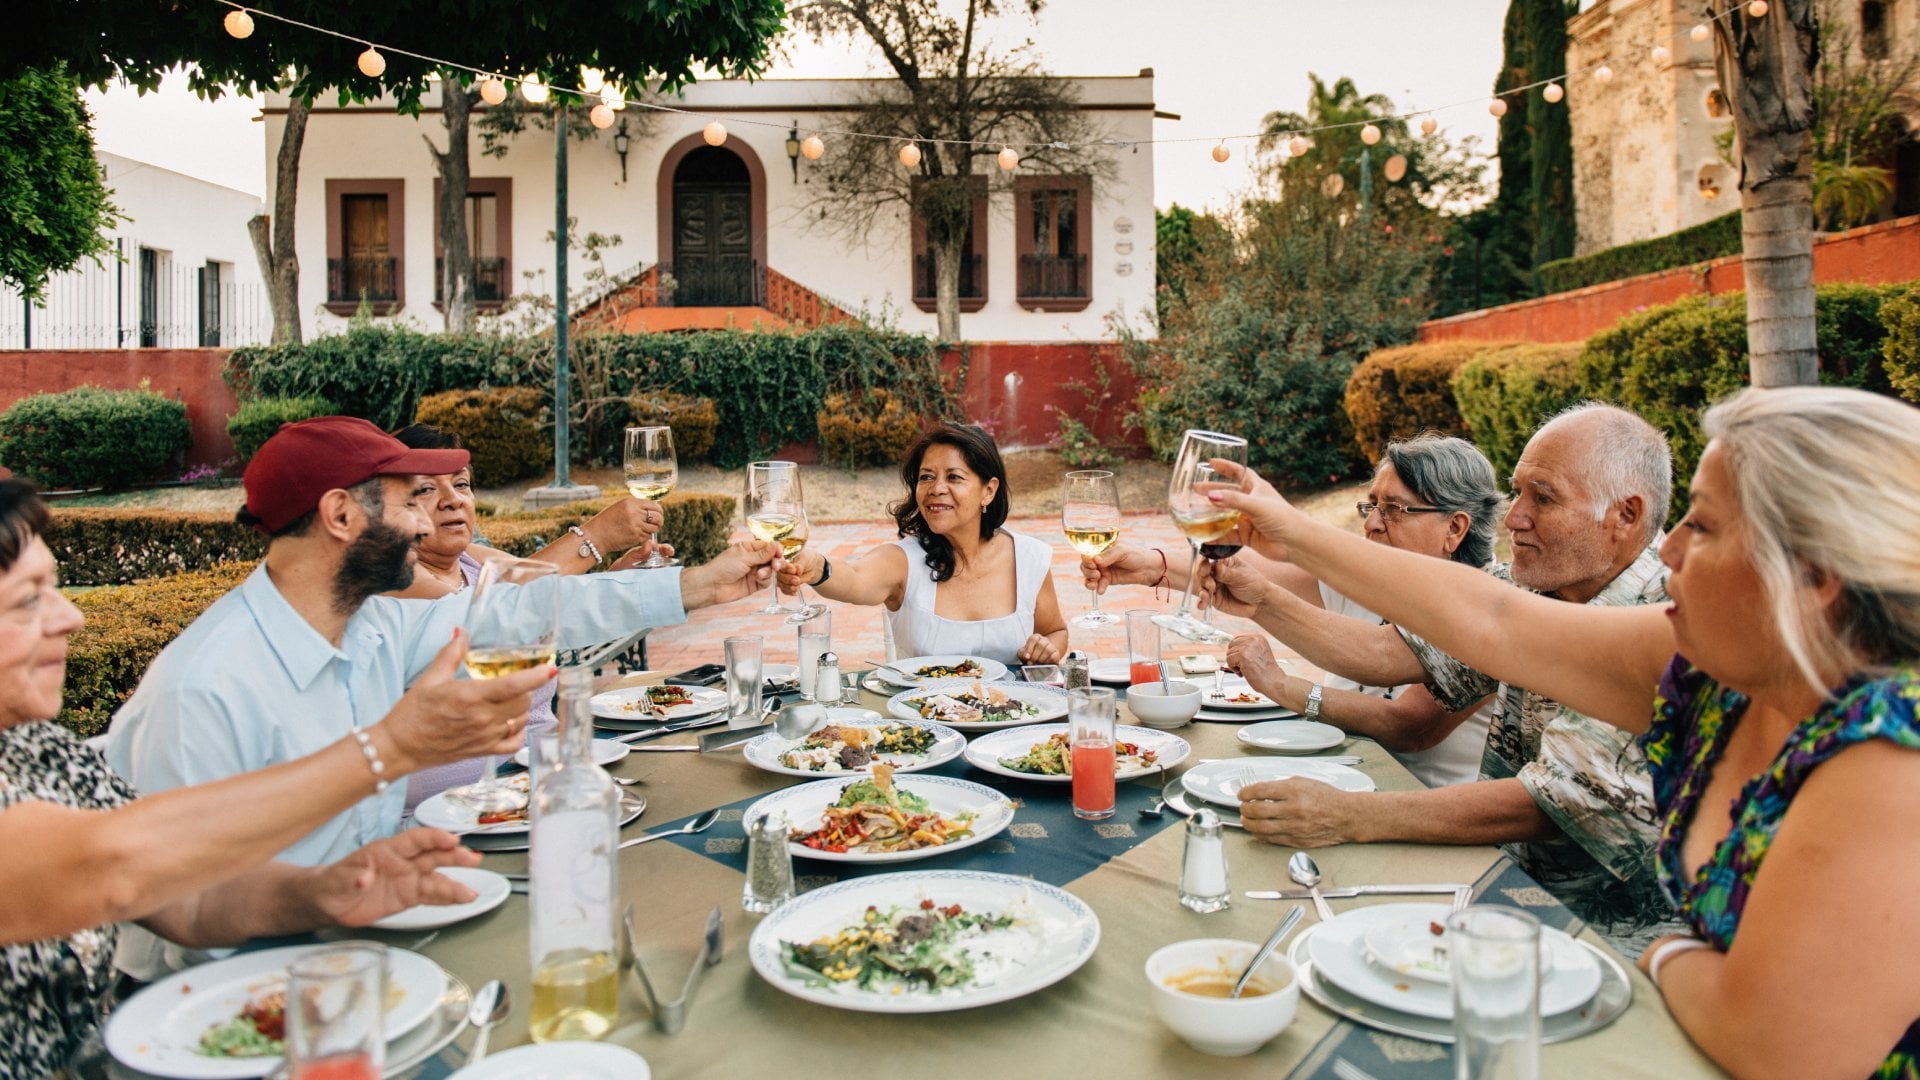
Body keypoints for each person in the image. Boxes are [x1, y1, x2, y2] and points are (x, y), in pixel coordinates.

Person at [1209, 386, 1920, 1078]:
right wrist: (1291, 531)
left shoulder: (1885, 749)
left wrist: (1654, 951)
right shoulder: (1710, 666)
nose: (1668, 549)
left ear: (1815, 576)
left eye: (1700, 526)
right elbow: (1493, 621)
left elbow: (1779, 1046)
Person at [0, 480, 549, 1076]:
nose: (71, 617)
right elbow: (115, 865)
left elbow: (185, 898)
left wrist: (322, 893)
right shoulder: (205, 677)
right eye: (28, 599)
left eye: (54, 588)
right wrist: (390, 748)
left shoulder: (43, 751)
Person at [104, 416, 779, 869]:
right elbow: (185, 906)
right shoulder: (206, 689)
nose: (425, 523)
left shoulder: (370, 626)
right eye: (408, 504)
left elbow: (528, 609)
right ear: (341, 515)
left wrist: (700, 586)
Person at [1210, 404, 1682, 952]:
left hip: (1612, 941)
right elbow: (1385, 652)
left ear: (1626, 515)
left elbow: (1548, 803)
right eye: (1518, 492)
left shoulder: (1665, 619)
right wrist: (1264, 594)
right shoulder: (1539, 584)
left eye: (1543, 497)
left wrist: (1349, 815)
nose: (1512, 518)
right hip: (1498, 886)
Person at [1087, 434, 1500, 788]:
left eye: (1394, 509)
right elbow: (1246, 573)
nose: (1372, 523)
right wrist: (1151, 564)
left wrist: (1282, 685)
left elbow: (1407, 727)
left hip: (1418, 808)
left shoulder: (1487, 609)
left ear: (1455, 528)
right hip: (1332, 774)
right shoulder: (1371, 577)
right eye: (1370, 505)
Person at [383, 423, 665, 811]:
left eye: (461, 485)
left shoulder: (472, 562)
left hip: (539, 782)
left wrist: (618, 575)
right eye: (426, 489)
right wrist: (598, 533)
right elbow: (511, 607)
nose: (452, 500)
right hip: (455, 814)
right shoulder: (393, 576)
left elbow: (543, 588)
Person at [776, 422, 1068, 666]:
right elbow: (854, 580)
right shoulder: (903, 561)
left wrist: (1046, 649)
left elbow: (1055, 631)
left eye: (954, 477)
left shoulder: (1028, 558)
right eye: (926, 477)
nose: (936, 489)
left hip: (1012, 723)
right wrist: (816, 567)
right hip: (923, 729)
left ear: (988, 491)